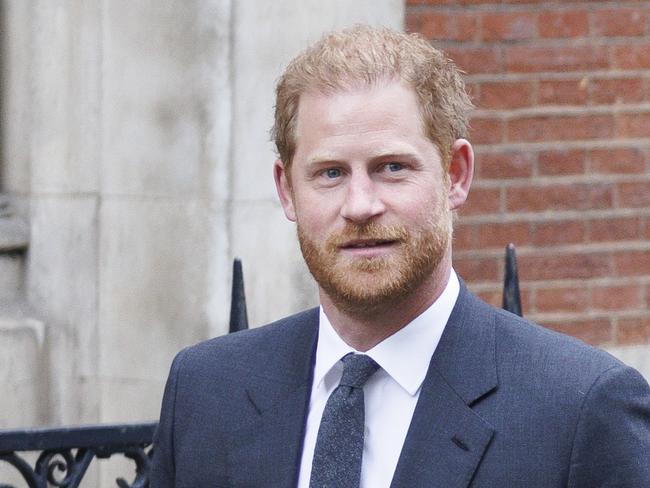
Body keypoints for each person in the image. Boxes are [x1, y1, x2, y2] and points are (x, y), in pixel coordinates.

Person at [150, 25, 650, 488]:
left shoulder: (581, 409)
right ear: (286, 190)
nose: (360, 205)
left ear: (455, 174)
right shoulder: (206, 391)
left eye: (392, 167)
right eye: (329, 173)